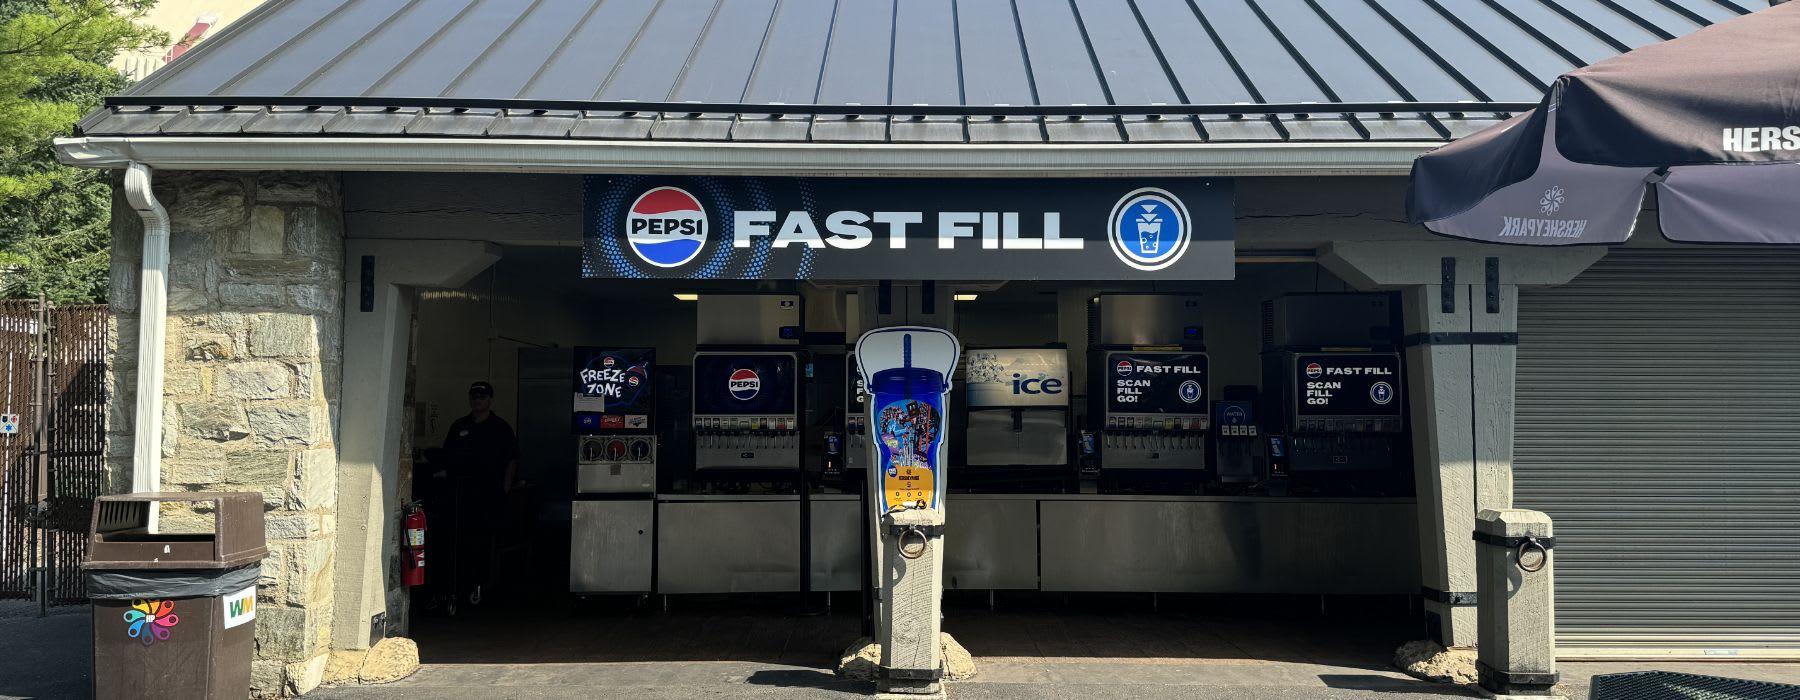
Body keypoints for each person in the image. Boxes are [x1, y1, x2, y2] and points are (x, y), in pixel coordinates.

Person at [439, 380, 518, 606]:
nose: (477, 401)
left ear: (490, 400)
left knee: (485, 541)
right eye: (474, 397)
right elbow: (446, 456)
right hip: (461, 495)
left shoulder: (500, 428)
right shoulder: (459, 426)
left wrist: (504, 487)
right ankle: (459, 584)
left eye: (482, 397)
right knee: (459, 540)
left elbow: (513, 459)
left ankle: (482, 585)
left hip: (489, 494)